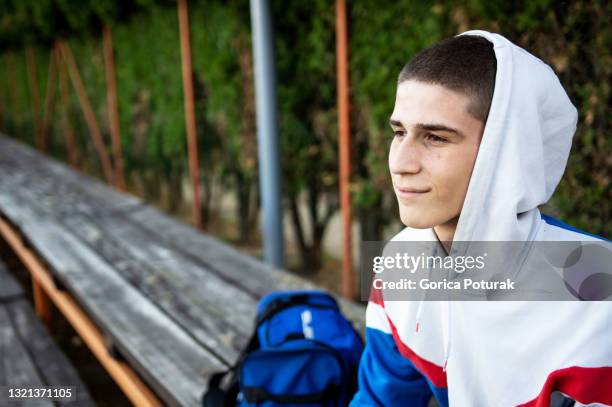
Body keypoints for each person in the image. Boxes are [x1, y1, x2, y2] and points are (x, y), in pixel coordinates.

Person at [350, 30, 612, 406]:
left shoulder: (597, 293)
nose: (400, 163)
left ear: (503, 151)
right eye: (399, 132)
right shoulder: (399, 262)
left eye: (435, 138)